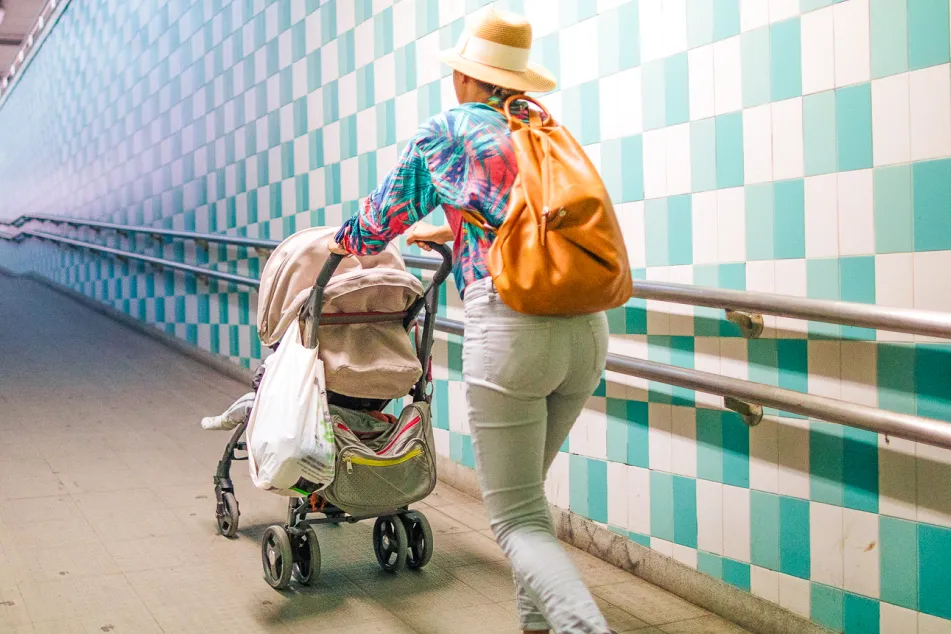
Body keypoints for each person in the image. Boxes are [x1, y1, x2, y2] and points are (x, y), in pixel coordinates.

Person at [330, 9, 612, 634]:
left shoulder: (451, 128)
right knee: (528, 506)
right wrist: (451, 228)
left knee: (515, 522)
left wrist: (338, 243)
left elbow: (381, 219)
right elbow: (514, 216)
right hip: (584, 330)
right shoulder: (540, 126)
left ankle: (584, 628)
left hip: (514, 330)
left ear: (465, 76)